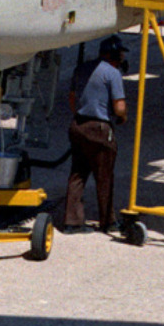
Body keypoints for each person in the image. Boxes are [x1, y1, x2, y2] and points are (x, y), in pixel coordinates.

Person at [63, 37, 130, 234]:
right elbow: (119, 107)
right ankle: (108, 221)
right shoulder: (113, 73)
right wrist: (123, 117)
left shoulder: (81, 68)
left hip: (78, 125)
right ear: (115, 54)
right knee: (104, 176)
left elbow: (72, 98)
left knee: (77, 174)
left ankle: (72, 222)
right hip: (99, 129)